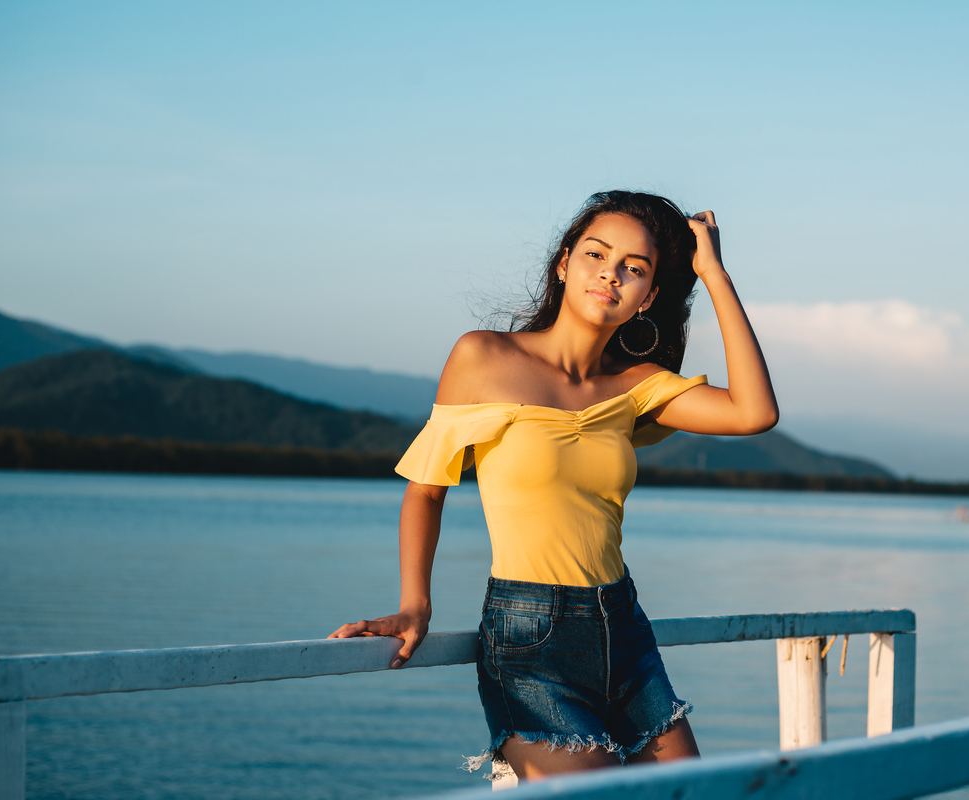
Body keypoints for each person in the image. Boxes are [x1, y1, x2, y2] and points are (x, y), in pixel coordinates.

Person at [329, 191, 778, 782]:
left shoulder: (639, 384)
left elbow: (754, 412)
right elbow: (427, 489)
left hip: (624, 629)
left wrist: (714, 274)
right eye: (596, 254)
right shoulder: (483, 356)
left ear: (650, 297)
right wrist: (416, 603)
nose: (610, 274)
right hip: (528, 636)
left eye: (634, 269)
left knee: (692, 796)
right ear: (564, 263)